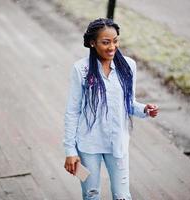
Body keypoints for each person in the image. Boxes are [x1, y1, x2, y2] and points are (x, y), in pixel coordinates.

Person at [63, 18, 158, 200]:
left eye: (115, 41)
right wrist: (70, 151)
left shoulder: (129, 66)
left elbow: (128, 103)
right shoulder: (80, 69)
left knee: (122, 195)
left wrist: (145, 109)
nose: (112, 47)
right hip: (87, 145)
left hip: (118, 143)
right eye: (105, 42)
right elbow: (72, 111)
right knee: (91, 194)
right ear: (92, 43)